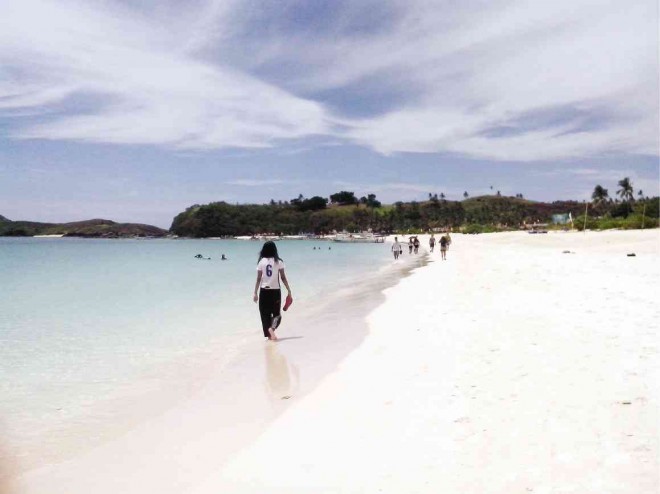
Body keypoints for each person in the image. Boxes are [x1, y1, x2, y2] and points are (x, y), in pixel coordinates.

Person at [253, 241, 292, 341]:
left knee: (264, 314)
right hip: (275, 292)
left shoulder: (261, 262)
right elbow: (283, 277)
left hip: (264, 291)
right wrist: (288, 290)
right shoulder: (279, 261)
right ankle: (272, 330)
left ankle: (269, 331)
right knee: (277, 315)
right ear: (275, 250)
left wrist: (255, 293)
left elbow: (258, 278)